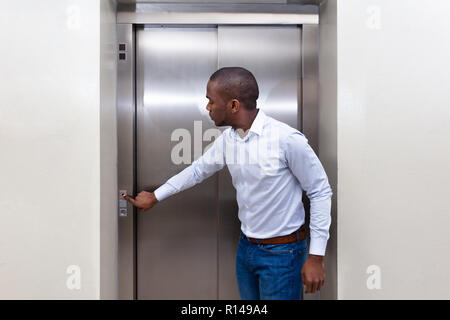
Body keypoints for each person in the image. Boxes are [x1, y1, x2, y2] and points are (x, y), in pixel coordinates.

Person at [125, 67, 332, 300]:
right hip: (247, 250)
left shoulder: (286, 140)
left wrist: (316, 256)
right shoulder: (230, 139)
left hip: (283, 254)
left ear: (233, 105)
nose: (207, 107)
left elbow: (320, 191)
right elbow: (198, 170)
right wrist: (156, 196)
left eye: (211, 101)